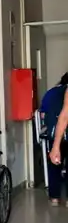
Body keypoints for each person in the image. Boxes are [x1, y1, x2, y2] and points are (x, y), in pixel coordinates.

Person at [42, 73, 68, 204]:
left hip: (54, 130)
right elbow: (64, 116)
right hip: (60, 131)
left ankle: (54, 198)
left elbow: (43, 113)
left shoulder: (51, 93)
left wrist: (56, 146)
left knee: (55, 165)